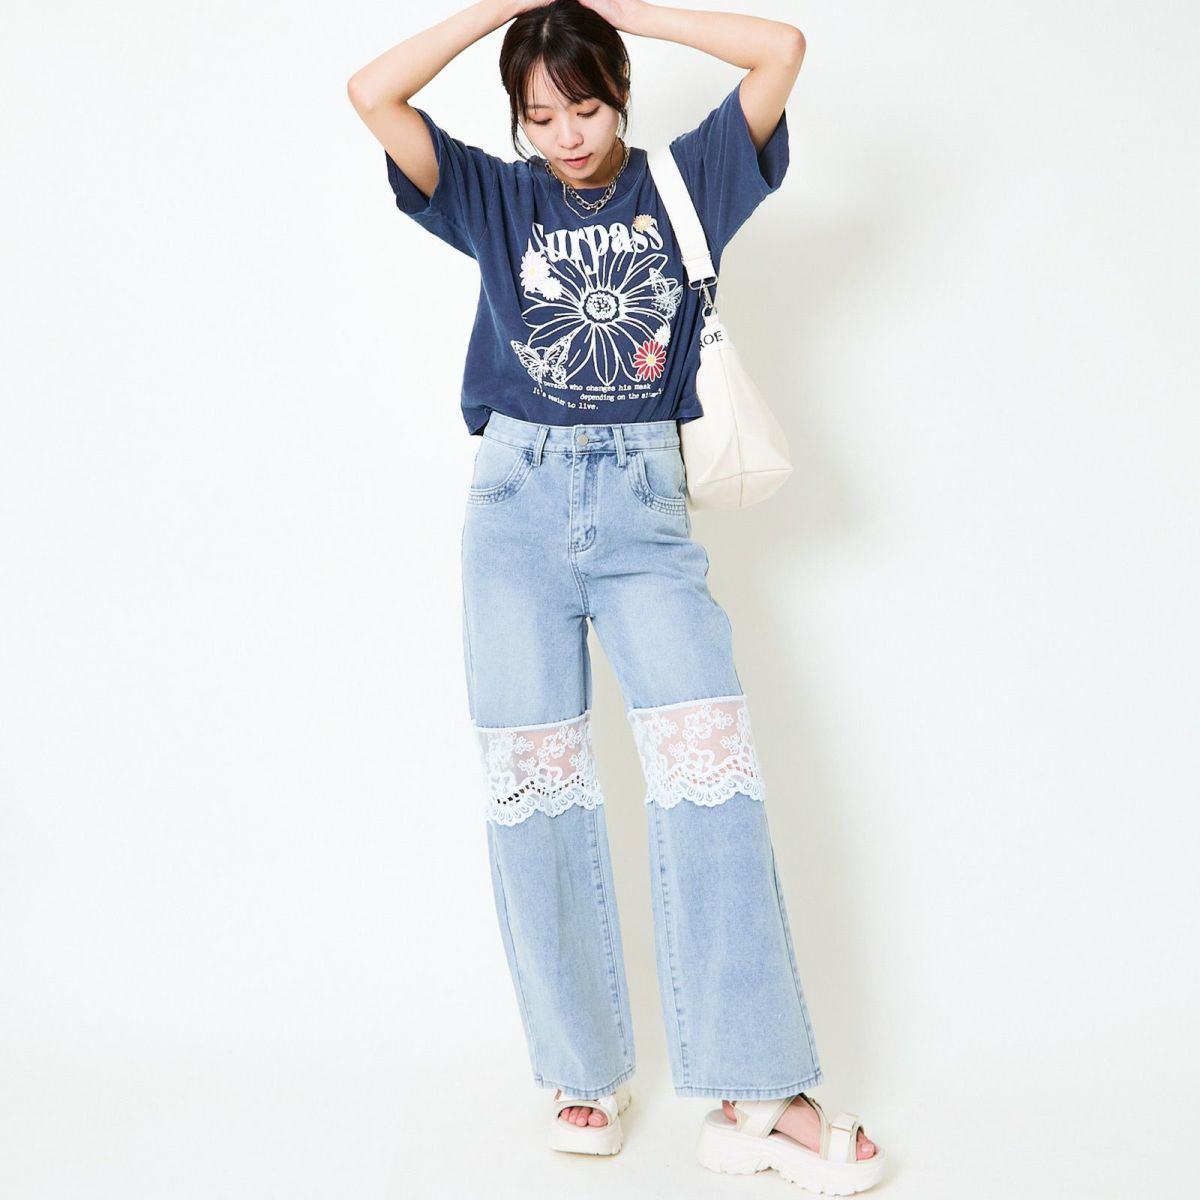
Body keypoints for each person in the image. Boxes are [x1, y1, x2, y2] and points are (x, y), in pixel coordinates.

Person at [348, 1, 885, 1191]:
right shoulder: (494, 196)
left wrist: (616, 9)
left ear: (620, 92)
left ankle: (758, 1089)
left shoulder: (688, 183)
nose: (567, 136)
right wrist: (504, 9)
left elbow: (782, 50)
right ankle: (579, 1072)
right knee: (535, 798)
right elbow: (372, 94)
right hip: (515, 511)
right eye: (540, 116)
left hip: (646, 513)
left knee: (712, 785)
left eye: (585, 106)